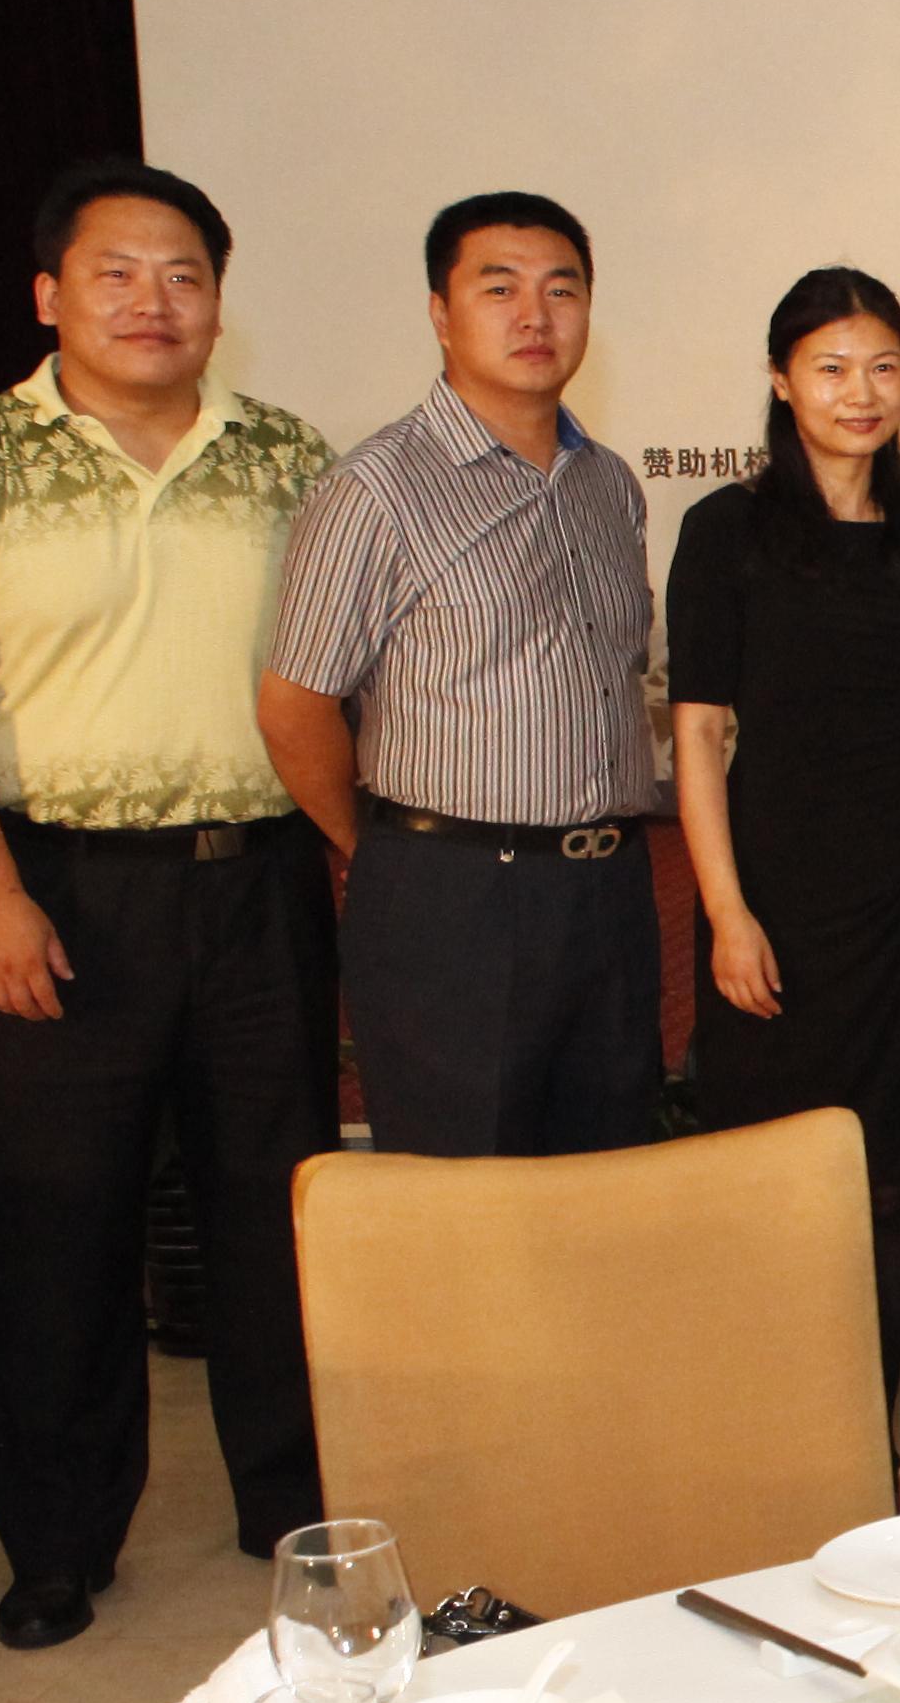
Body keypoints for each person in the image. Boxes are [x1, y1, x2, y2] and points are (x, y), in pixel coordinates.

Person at [0, 160, 344, 1653]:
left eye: (185, 275)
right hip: (61, 893)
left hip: (259, 883)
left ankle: (295, 1509)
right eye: (118, 272)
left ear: (220, 302)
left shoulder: (287, 455)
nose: (155, 301)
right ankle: (59, 1543)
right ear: (49, 294)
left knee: (280, 1214)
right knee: (61, 1229)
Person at [260, 192, 667, 1160]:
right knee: (465, 1203)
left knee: (610, 1186)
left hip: (610, 892)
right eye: (500, 289)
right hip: (453, 899)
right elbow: (295, 707)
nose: (535, 316)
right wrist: (385, 850)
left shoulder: (609, 483)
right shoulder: (375, 489)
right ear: (441, 314)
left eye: (561, 290)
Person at [668, 268, 900, 1389]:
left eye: (883, 367)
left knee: (889, 1182)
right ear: (781, 380)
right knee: (777, 1183)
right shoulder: (728, 531)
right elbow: (698, 733)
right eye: (831, 368)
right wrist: (727, 914)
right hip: (775, 898)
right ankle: (781, 1431)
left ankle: (865, 1439)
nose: (861, 393)